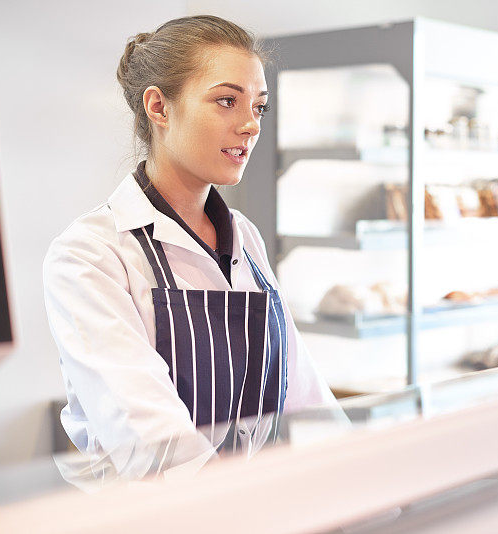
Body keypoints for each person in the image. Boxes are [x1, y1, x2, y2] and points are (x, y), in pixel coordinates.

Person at [43, 15, 341, 477]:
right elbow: (157, 448)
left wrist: (368, 489)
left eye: (258, 107)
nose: (250, 125)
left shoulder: (244, 236)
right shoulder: (91, 254)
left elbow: (308, 400)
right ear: (159, 108)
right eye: (227, 101)